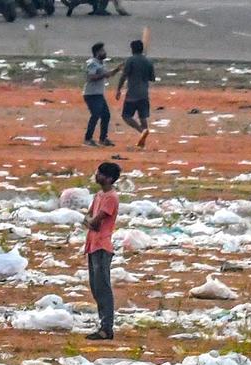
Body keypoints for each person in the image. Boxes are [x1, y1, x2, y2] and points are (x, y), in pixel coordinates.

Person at [84, 161, 120, 341]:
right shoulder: (99, 195)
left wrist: (90, 221)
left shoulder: (111, 198)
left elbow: (95, 221)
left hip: (102, 246)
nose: (96, 176)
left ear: (109, 178)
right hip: (92, 244)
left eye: (99, 173)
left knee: (103, 287)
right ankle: (103, 325)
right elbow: (88, 218)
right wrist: (90, 221)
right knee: (96, 287)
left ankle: (107, 328)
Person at [116, 39, 155, 148]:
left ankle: (141, 131)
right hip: (144, 93)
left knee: (126, 116)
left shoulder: (130, 60)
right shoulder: (148, 61)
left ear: (132, 49)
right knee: (143, 117)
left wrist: (118, 89)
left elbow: (124, 76)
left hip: (132, 93)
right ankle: (143, 140)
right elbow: (152, 78)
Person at [84, 42, 120, 147]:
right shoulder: (92, 63)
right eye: (102, 50)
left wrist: (117, 69)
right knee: (95, 115)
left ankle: (103, 139)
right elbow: (91, 77)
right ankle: (88, 139)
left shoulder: (101, 63)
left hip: (98, 93)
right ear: (97, 52)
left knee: (106, 115)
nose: (105, 52)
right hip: (91, 94)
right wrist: (104, 74)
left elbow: (107, 75)